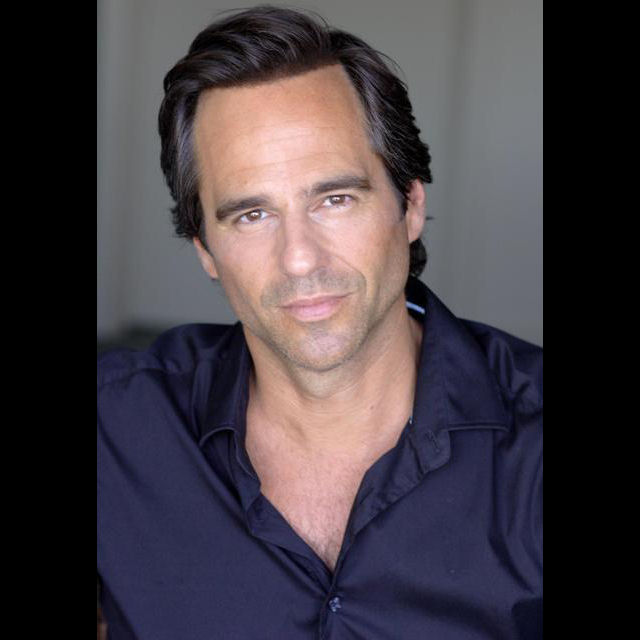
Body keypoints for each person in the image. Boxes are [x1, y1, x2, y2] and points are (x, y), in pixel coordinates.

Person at [97, 5, 542, 639]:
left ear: (410, 206)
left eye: (335, 199)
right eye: (252, 215)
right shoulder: (117, 426)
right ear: (205, 249)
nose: (300, 258)